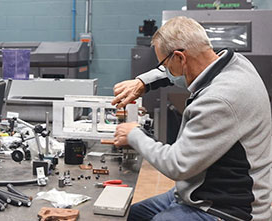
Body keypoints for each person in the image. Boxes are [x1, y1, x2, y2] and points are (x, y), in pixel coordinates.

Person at [112, 16, 271, 221]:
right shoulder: (235, 64)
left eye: (165, 63)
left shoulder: (219, 100)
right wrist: (144, 82)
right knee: (135, 213)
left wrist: (134, 134)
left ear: (180, 58)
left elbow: (177, 165)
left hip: (227, 207)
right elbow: (175, 69)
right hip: (201, 188)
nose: (166, 71)